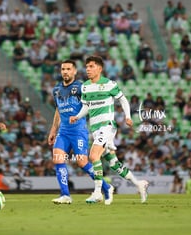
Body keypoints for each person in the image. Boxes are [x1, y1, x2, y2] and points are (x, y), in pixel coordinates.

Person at [69, 56, 149, 203]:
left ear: (99, 68)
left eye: (91, 66)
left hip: (107, 126)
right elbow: (87, 106)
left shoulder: (109, 84)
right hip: (95, 128)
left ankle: (98, 192)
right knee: (113, 162)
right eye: (86, 67)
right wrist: (77, 116)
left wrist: (128, 116)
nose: (88, 69)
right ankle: (139, 184)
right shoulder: (85, 86)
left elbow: (123, 99)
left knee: (93, 156)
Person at [48, 59, 114, 205]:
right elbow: (58, 110)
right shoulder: (57, 90)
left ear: (75, 71)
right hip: (63, 131)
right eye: (63, 69)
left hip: (78, 131)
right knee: (58, 158)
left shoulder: (81, 87)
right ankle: (65, 195)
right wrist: (53, 129)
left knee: (82, 162)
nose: (65, 72)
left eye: (68, 69)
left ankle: (106, 187)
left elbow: (90, 105)